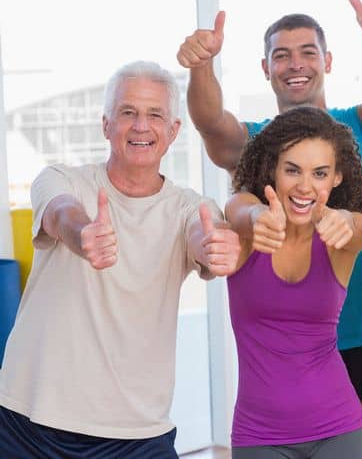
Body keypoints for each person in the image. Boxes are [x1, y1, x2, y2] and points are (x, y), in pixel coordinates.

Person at [177, 0, 362, 398]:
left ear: (328, 61)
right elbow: (211, 123)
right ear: (266, 68)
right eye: (282, 55)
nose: (296, 64)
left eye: (308, 52)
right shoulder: (253, 143)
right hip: (290, 349)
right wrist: (201, 67)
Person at [0, 61, 241, 459]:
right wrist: (83, 236)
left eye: (154, 115)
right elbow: (61, 212)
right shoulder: (62, 180)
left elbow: (204, 235)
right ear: (106, 125)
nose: (141, 126)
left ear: (173, 131)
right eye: (128, 113)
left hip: (135, 433)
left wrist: (216, 247)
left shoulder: (190, 208)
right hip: (28, 421)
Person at [224, 106, 362, 458]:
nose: (305, 186)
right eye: (292, 170)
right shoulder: (248, 231)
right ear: (272, 169)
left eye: (319, 173)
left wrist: (348, 222)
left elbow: (359, 229)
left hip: (339, 428)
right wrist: (258, 216)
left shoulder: (338, 236)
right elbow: (238, 208)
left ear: (336, 177)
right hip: (258, 434)